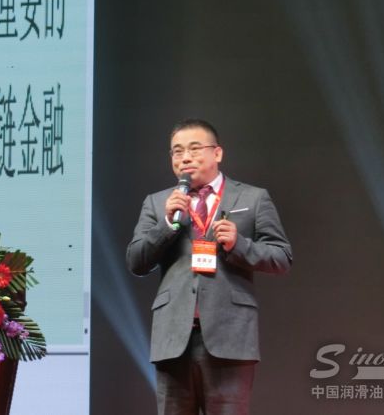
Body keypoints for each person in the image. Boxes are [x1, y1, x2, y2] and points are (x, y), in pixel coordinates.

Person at [126, 119, 293, 415]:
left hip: (231, 336)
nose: (185, 158)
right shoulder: (158, 203)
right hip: (173, 339)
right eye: (177, 151)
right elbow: (136, 262)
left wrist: (239, 244)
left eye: (194, 149)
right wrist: (167, 224)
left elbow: (281, 258)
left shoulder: (252, 198)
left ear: (217, 153)